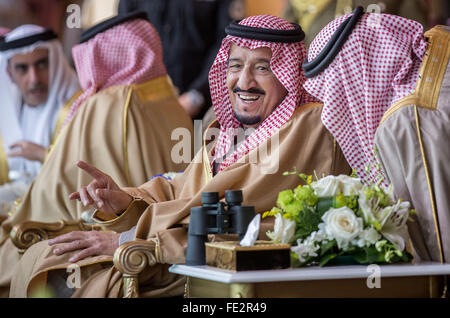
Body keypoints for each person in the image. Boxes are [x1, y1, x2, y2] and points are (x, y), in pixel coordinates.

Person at [10, 15, 351, 298]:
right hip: (174, 252)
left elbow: (241, 220)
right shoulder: (228, 129)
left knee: (58, 274)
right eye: (235, 66)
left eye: (262, 68)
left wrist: (128, 238)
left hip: (206, 269)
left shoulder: (306, 125)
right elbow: (181, 189)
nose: (243, 81)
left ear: (288, 74)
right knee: (44, 255)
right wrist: (124, 200)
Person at [0, 12, 194, 297]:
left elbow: (55, 192)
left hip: (120, 242)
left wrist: (14, 216)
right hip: (171, 238)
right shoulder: (173, 102)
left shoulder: (102, 104)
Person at [301, 7, 450, 266]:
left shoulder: (406, 122)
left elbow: (439, 238)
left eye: (336, 96)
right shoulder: (440, 51)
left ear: (353, 78)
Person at [0, 25, 80, 215]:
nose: (34, 78)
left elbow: (90, 170)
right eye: (22, 68)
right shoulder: (8, 110)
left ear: (56, 63)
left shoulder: (77, 107)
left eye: (42, 64)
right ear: (9, 74)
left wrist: (44, 155)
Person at [118, 0, 245, 119]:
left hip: (207, 105)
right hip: (147, 105)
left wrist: (197, 94)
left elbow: (229, 40)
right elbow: (126, 41)